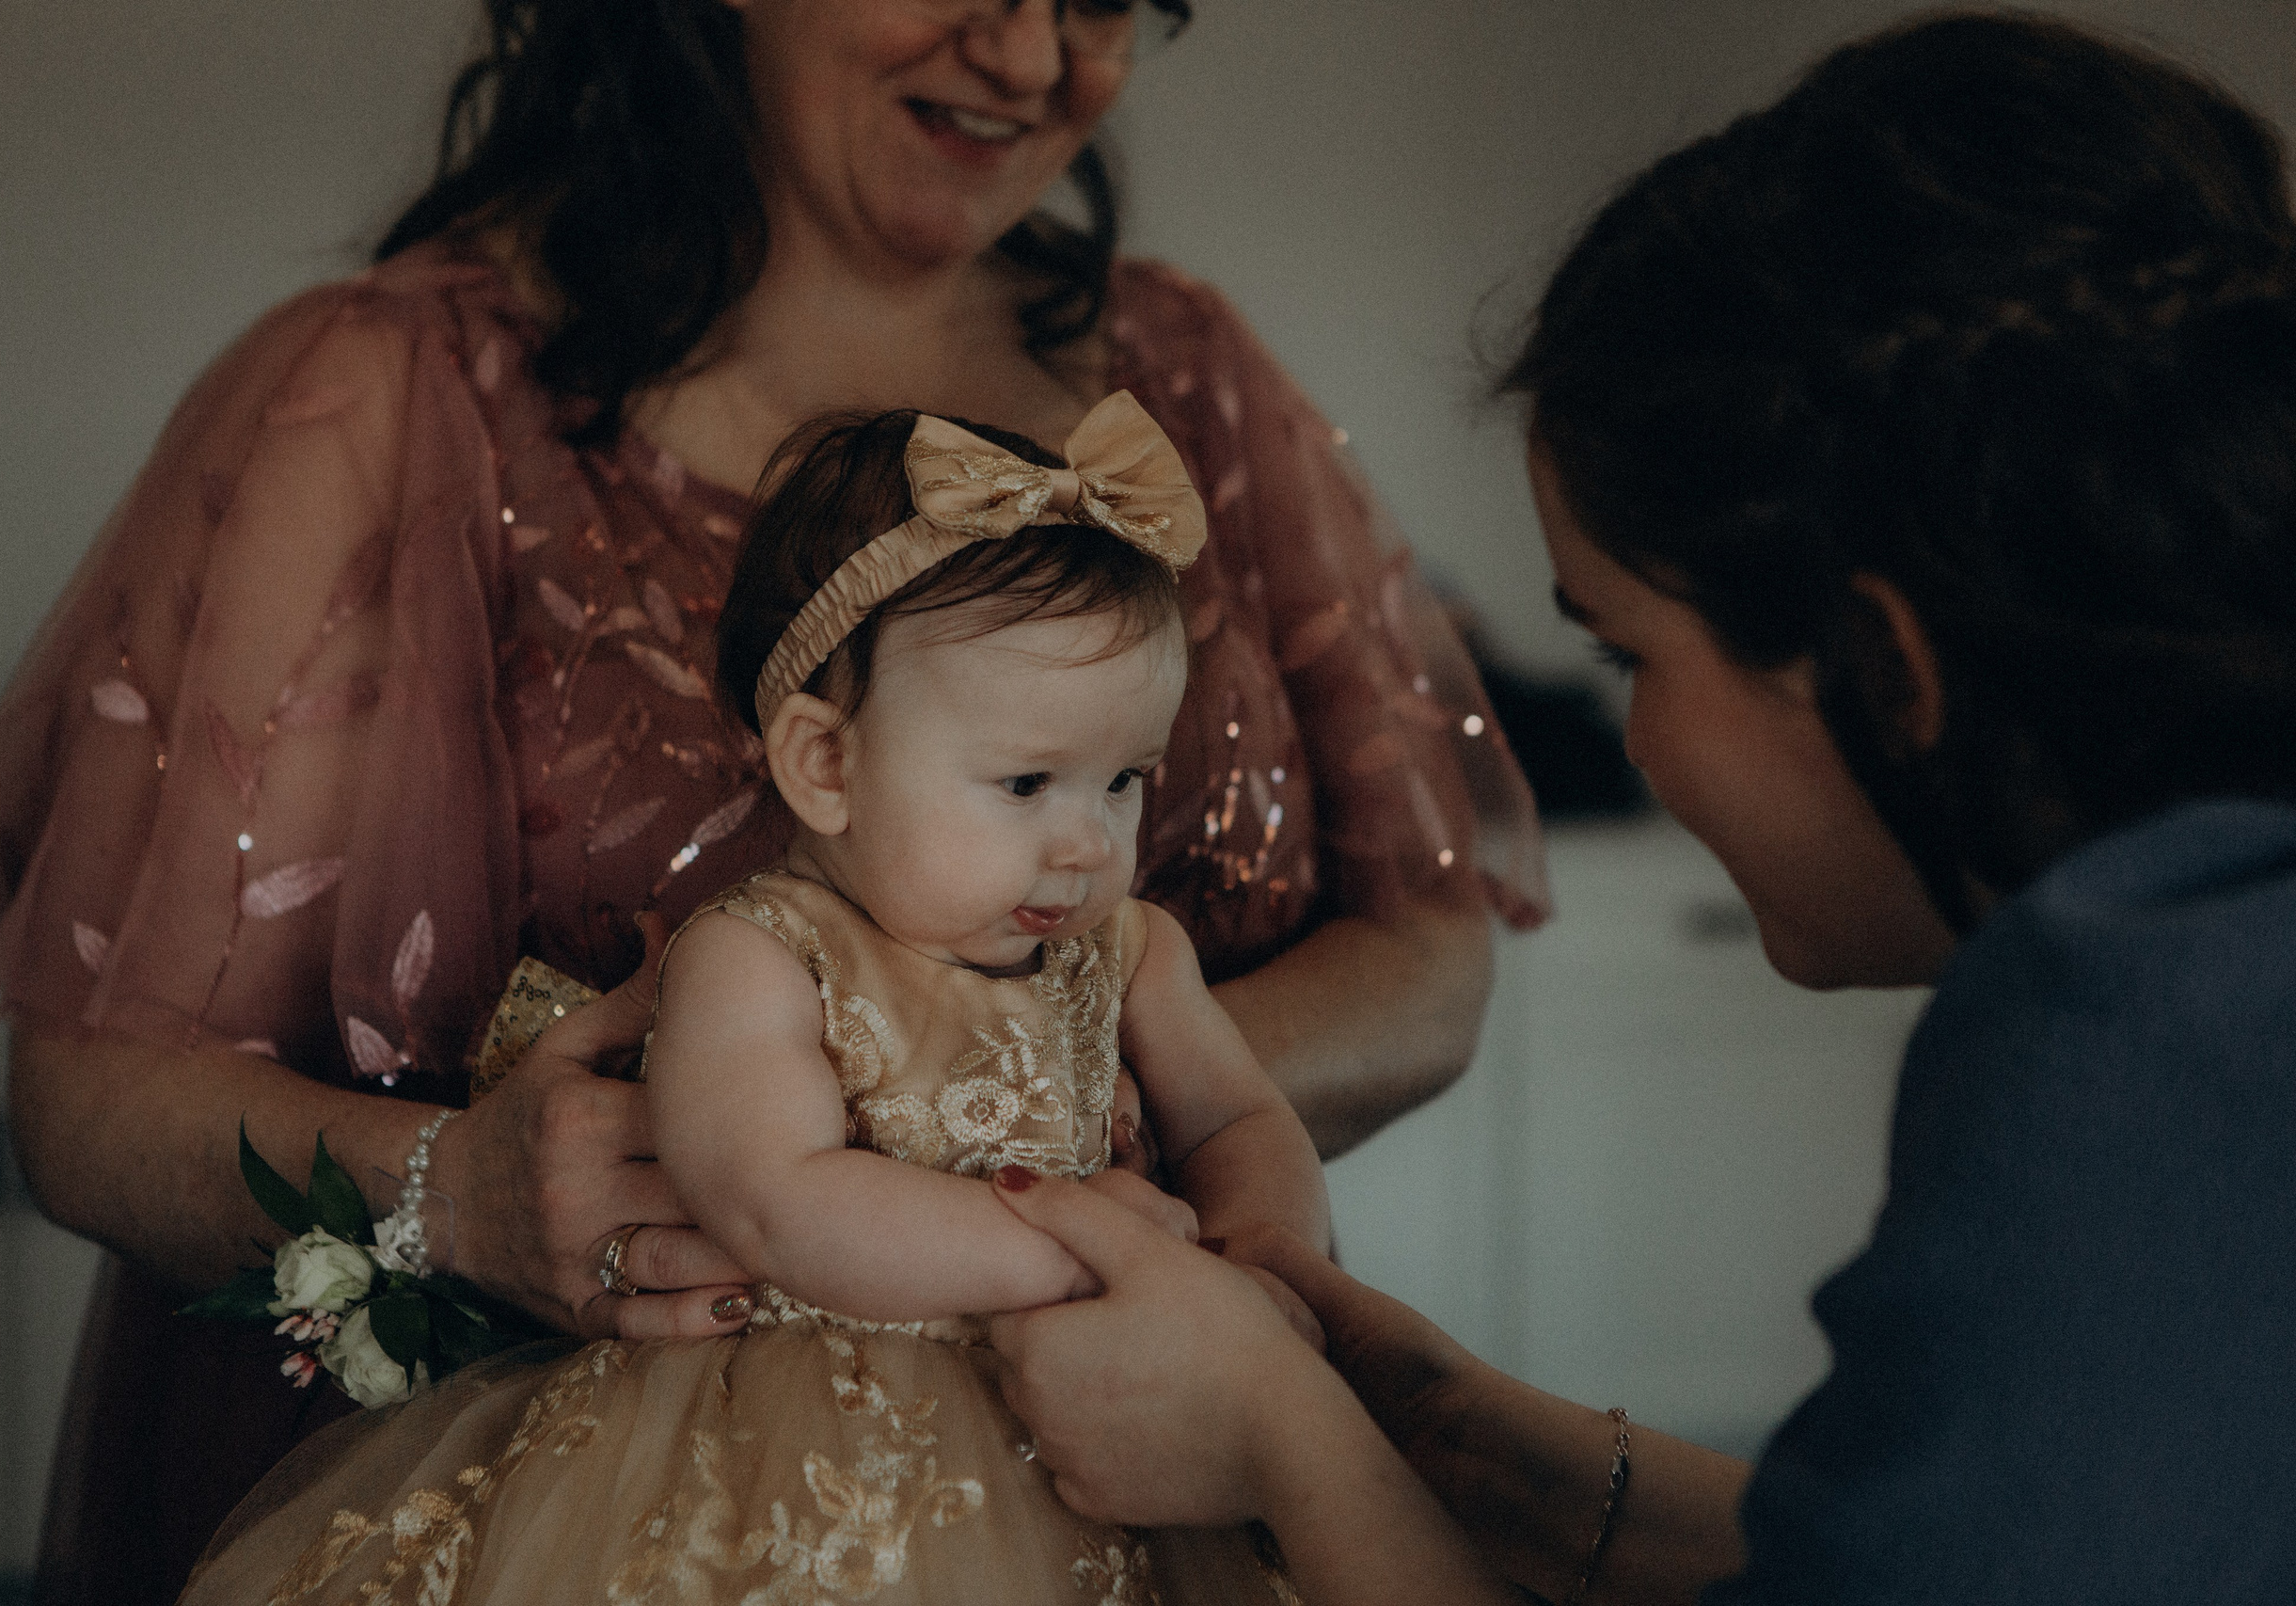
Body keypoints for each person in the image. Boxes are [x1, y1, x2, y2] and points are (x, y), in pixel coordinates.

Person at [0, 1, 1544, 1598]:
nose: (1034, 55)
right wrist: (457, 1194)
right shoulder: (392, 389)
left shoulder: (1176, 394)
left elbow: (1429, 941)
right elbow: (87, 1100)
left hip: (1137, 1446)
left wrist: (1093, 1123)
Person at [979, 13, 2296, 1604]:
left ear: (1886, 664)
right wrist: (1464, 1444)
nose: (1637, 745)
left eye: (1627, 653)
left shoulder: (2139, 1064)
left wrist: (1283, 1444)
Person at [179, 395, 1330, 1604]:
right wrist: (1088, 1251)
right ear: (825, 765)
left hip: (1109, 1414)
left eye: (1123, 781)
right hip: (813, 1455)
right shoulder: (756, 953)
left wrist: (1253, 1264)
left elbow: (1238, 1119)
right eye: (1028, 782)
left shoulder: (1132, 952)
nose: (1087, 844)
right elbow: (777, 1198)